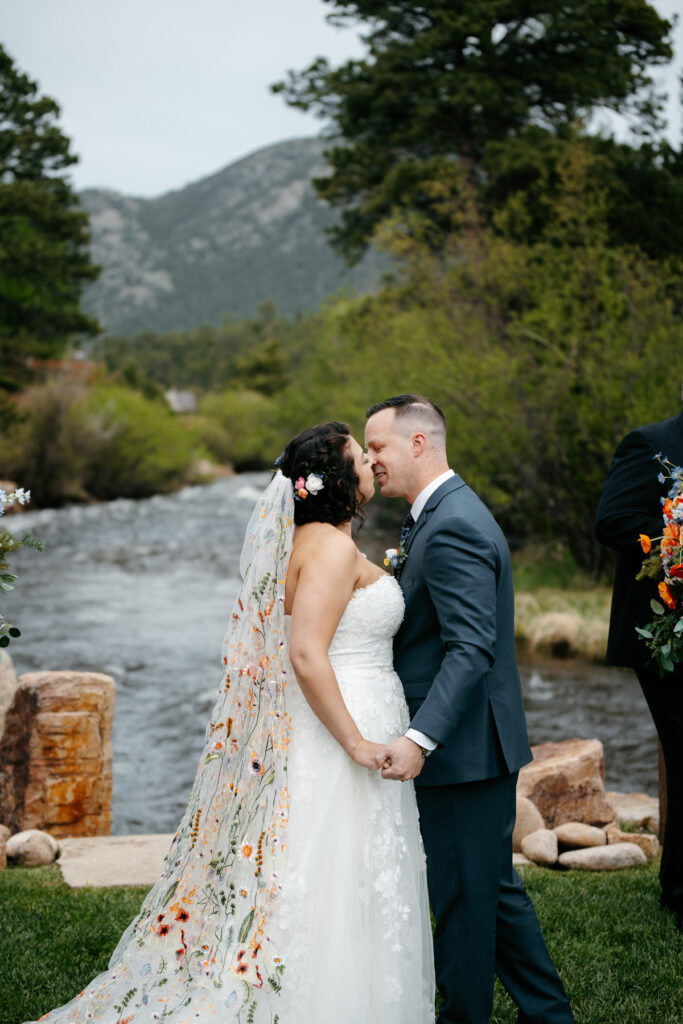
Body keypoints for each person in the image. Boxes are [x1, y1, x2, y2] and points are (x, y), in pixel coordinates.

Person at [25, 422, 435, 1024]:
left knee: (352, 875)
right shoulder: (328, 547)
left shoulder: (317, 540)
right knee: (333, 878)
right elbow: (305, 654)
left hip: (349, 717)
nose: (372, 464)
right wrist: (356, 743)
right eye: (360, 455)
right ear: (337, 480)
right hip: (341, 732)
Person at [365, 394, 575, 1024]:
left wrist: (419, 738)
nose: (371, 459)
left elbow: (469, 649)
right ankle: (551, 1016)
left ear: (419, 443)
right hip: (473, 747)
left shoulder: (453, 524)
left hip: (461, 751)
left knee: (462, 905)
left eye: (378, 446)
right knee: (490, 894)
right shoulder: (436, 515)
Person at [594, 405, 683, 926]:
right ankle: (677, 889)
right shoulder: (647, 443)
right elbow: (612, 520)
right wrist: (675, 535)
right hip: (664, 635)